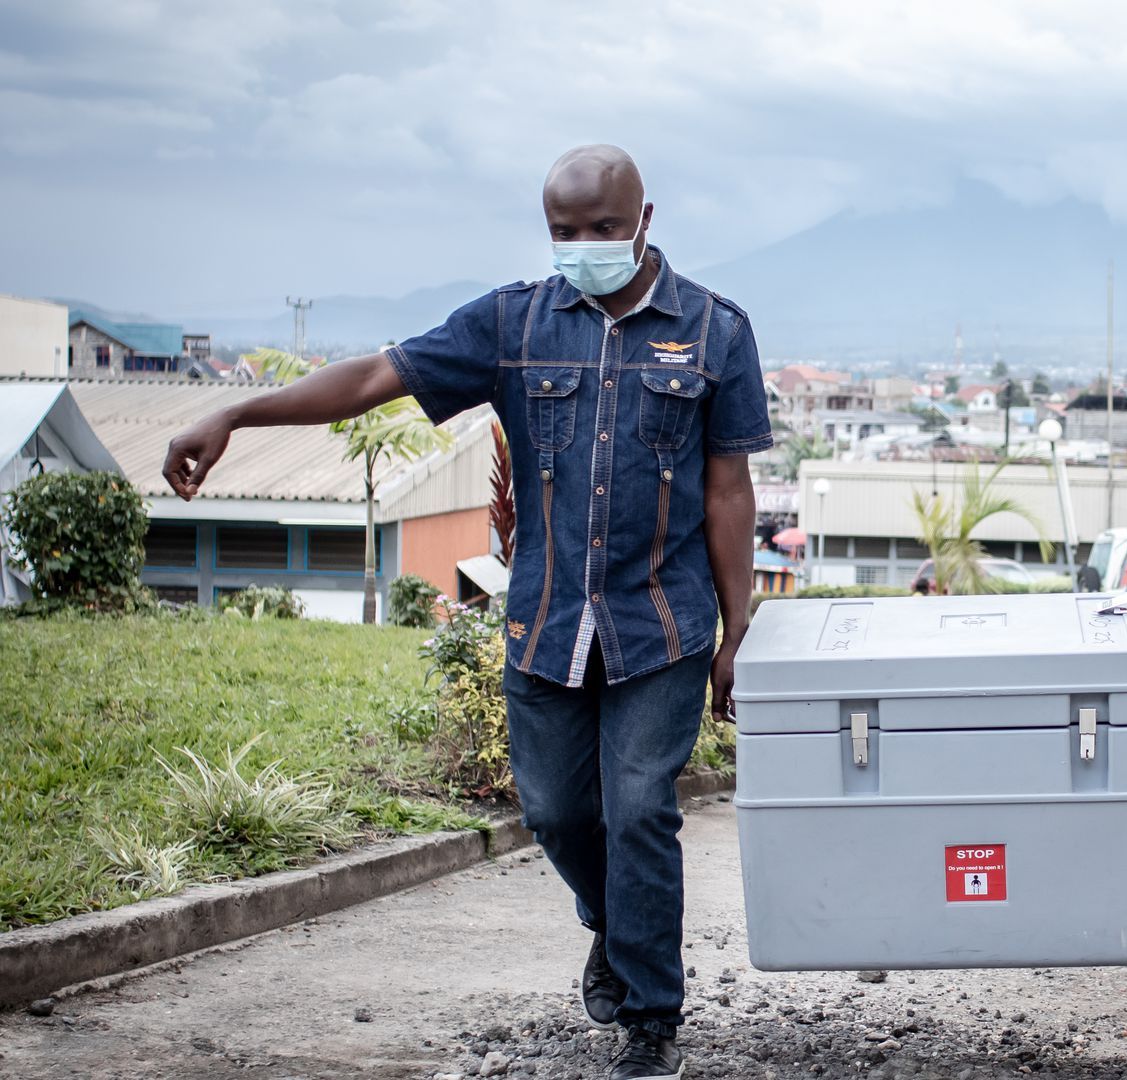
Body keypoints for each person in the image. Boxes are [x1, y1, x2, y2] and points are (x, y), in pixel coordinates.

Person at [162, 144, 772, 1080]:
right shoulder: (511, 323)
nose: (584, 247)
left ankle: (651, 1019)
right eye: (564, 231)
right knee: (559, 812)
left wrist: (739, 629)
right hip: (546, 623)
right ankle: (616, 926)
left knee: (642, 808)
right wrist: (237, 414)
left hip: (664, 622)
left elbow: (729, 491)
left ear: (644, 222)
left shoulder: (715, 332)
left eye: (603, 229)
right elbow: (374, 378)